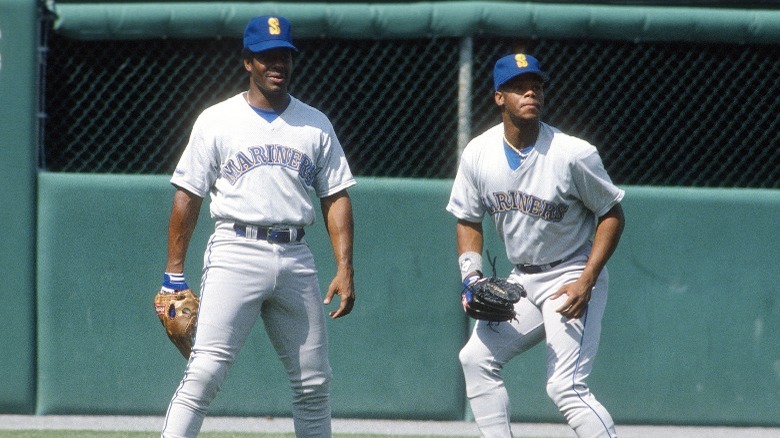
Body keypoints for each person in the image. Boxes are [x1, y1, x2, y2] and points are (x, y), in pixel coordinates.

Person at [159, 15, 356, 438]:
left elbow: (336, 196)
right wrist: (174, 273)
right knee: (205, 372)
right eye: (267, 57)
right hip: (236, 248)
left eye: (284, 55)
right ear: (247, 61)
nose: (277, 64)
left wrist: (344, 267)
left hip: (296, 254)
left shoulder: (316, 124)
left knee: (314, 384)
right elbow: (187, 195)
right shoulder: (216, 119)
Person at [446, 53, 625, 438]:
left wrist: (588, 278)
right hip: (523, 280)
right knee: (475, 358)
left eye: (537, 85)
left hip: (572, 273)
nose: (531, 92)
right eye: (519, 86)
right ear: (499, 97)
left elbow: (612, 213)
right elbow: (467, 217)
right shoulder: (478, 153)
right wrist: (471, 276)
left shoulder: (572, 153)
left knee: (566, 387)